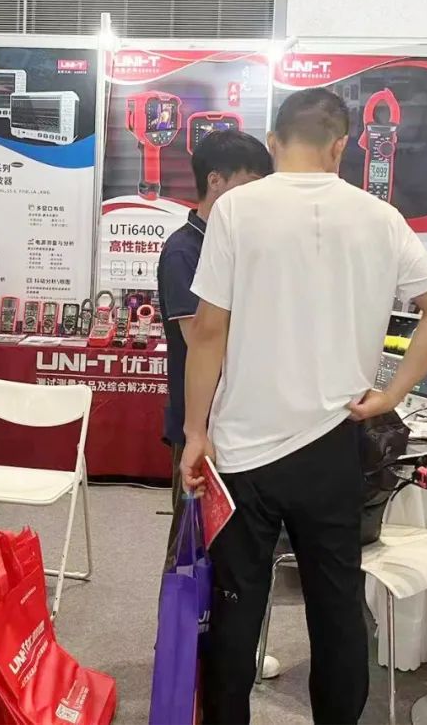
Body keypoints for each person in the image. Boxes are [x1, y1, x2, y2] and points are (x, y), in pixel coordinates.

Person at [180, 88, 427, 724]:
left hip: (243, 449)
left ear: (274, 142)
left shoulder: (237, 210)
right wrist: (393, 394)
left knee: (236, 604)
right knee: (336, 606)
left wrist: (195, 431)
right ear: (341, 146)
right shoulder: (380, 217)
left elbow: (208, 330)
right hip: (334, 443)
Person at [157, 129, 272, 568]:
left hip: (240, 418)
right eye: (248, 186)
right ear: (215, 181)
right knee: (193, 544)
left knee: (234, 547)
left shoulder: (240, 245)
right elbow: (202, 341)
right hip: (201, 422)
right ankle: (179, 617)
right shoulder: (183, 251)